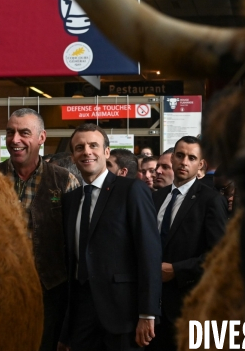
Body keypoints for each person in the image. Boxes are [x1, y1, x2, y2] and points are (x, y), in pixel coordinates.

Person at [61, 123, 161, 351]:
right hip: (82, 315)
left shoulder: (131, 190)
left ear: (106, 152)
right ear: (73, 157)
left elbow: (149, 253)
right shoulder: (71, 200)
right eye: (79, 147)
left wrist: (148, 313)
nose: (86, 151)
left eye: (93, 145)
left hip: (123, 314)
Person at [0, 108, 80, 351]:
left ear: (42, 138)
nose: (15, 140)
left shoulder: (64, 180)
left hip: (50, 291)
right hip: (1, 289)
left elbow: (75, 241)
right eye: (10, 133)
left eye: (24, 133)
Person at [148, 136, 227, 351]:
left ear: (200, 165)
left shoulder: (210, 200)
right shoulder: (156, 197)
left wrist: (177, 269)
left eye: (191, 158)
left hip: (187, 304)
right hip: (151, 305)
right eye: (180, 155)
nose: (184, 162)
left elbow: (219, 256)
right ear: (172, 158)